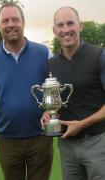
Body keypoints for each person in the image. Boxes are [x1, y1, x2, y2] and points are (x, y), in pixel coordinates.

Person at [0, 2, 53, 180]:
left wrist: (50, 111)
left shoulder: (44, 52)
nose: (10, 24)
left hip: (41, 137)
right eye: (5, 21)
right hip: (7, 140)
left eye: (15, 19)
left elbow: (55, 92)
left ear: (23, 22)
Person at [41, 6, 105, 180]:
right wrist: (48, 112)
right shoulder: (51, 64)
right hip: (66, 146)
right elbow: (57, 102)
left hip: (97, 143)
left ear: (80, 26)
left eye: (70, 23)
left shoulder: (99, 55)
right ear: (55, 31)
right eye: (60, 25)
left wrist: (82, 124)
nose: (66, 29)